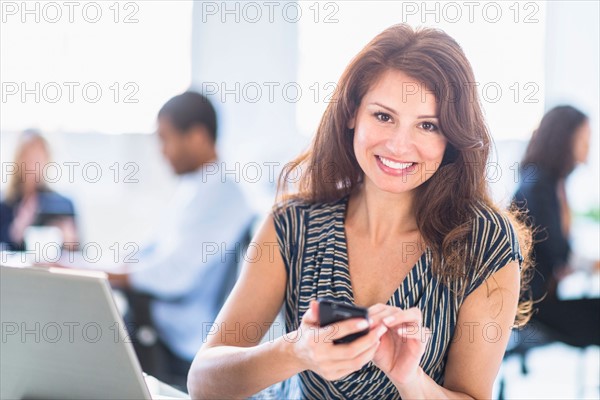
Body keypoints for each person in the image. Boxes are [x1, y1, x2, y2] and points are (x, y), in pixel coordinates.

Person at [187, 24, 533, 399]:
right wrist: (294, 351)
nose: (400, 146)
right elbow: (204, 383)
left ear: (451, 138)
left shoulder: (485, 241)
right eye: (383, 116)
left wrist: (409, 379)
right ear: (352, 113)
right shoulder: (293, 223)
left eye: (428, 125)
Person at [108, 91, 255, 388]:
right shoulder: (194, 187)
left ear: (198, 137)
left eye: (166, 139)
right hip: (157, 323)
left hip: (178, 340)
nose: (162, 151)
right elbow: (152, 251)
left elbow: (176, 275)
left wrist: (108, 274)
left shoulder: (224, 195)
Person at [512, 105, 599, 347]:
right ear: (565, 139)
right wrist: (590, 264)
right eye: (584, 138)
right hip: (534, 305)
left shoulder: (549, 183)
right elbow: (557, 251)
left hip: (545, 296)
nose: (588, 146)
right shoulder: (539, 186)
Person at [0, 130, 78, 251]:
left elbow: (79, 253)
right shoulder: (4, 205)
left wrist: (69, 242)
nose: (33, 164)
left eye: (38, 157)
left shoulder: (64, 205)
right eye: (28, 157)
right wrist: (18, 229)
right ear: (18, 160)